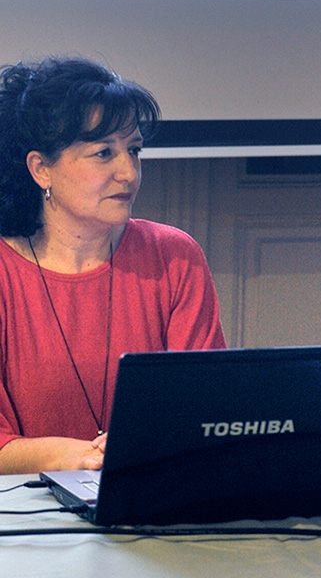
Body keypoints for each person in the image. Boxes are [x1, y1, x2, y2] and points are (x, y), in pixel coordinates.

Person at [0, 56, 226, 474]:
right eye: (104, 153)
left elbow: (208, 413)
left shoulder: (174, 256)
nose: (129, 173)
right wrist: (83, 457)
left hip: (154, 499)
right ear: (41, 169)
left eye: (134, 150)